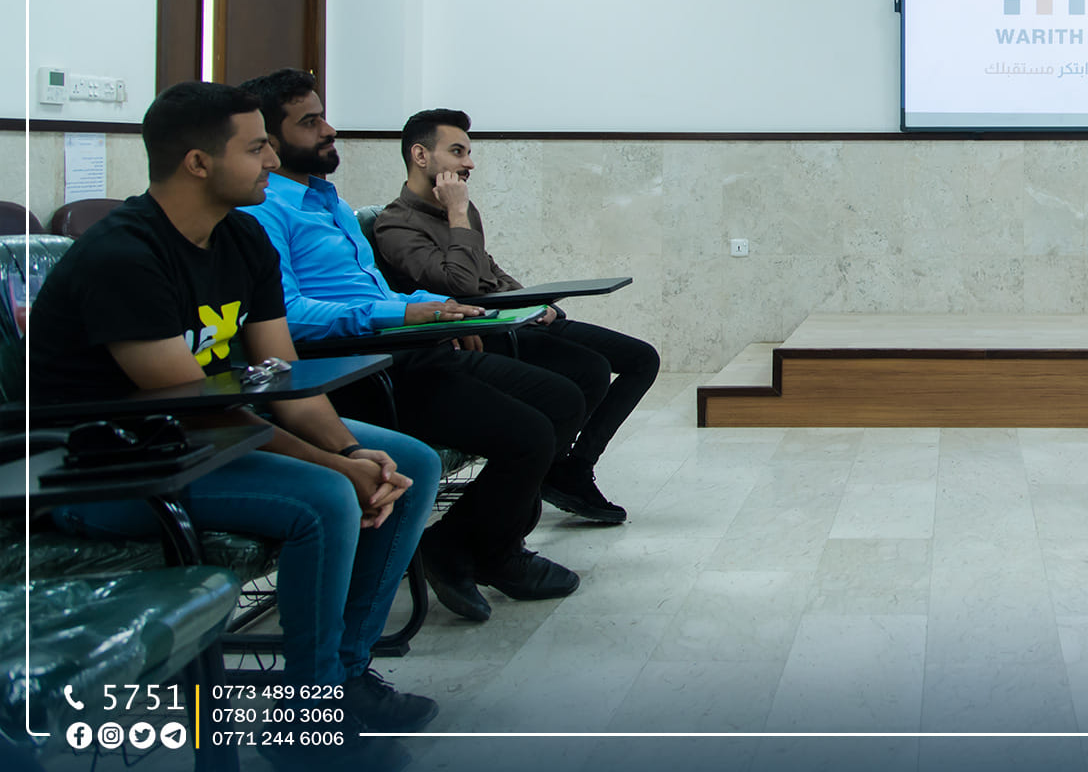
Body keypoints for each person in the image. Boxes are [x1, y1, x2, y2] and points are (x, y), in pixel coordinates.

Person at [29, 83, 440, 768]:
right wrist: (336, 468)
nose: (271, 163)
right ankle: (307, 727)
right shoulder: (124, 257)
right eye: (255, 149)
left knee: (412, 464)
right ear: (198, 162)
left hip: (199, 443)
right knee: (325, 497)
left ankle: (340, 679)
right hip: (105, 471)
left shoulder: (243, 238)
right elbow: (192, 406)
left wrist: (351, 449)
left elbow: (281, 381)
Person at [237, 69, 583, 623]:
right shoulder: (261, 211)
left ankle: (472, 543)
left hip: (407, 346)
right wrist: (404, 311)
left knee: (563, 398)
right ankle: (475, 550)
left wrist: (442, 306)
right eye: (310, 122)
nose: (330, 130)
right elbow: (289, 314)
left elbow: (374, 290)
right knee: (530, 434)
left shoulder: (327, 200)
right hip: (357, 367)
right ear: (271, 141)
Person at [374, 109, 659, 524]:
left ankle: (572, 468)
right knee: (591, 370)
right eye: (458, 152)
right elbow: (458, 283)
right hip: (484, 332)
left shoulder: (462, 211)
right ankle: (547, 475)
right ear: (420, 156)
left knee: (642, 359)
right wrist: (457, 213)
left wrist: (534, 302)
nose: (469, 163)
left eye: (468, 153)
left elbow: (490, 270)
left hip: (516, 319)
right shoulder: (395, 224)